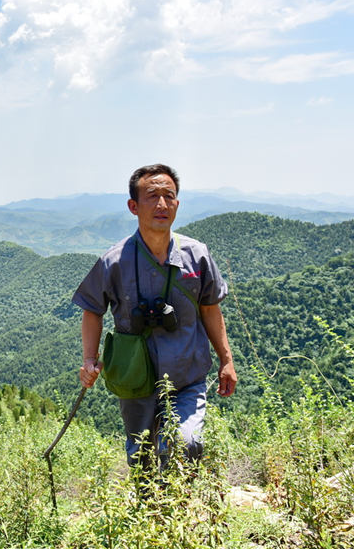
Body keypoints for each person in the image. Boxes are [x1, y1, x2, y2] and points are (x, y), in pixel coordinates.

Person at [73, 164, 237, 468]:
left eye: (169, 196)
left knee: (186, 444)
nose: (161, 204)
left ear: (177, 203)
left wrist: (226, 360)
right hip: (135, 378)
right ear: (133, 206)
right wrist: (89, 358)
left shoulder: (196, 255)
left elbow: (210, 308)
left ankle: (182, 508)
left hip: (187, 374)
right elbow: (92, 309)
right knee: (142, 459)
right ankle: (152, 512)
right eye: (152, 196)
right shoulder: (115, 261)